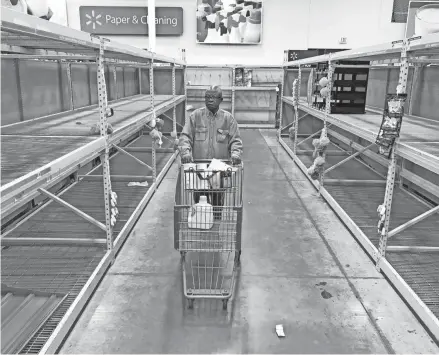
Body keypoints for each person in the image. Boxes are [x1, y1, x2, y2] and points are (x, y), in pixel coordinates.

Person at [178, 85, 243, 220]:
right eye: (207, 97)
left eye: (213, 97)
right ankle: (201, 222)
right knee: (199, 202)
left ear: (221, 100)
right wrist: (185, 153)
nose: (210, 100)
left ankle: (216, 225)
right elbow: (185, 137)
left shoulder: (228, 119)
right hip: (199, 169)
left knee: (217, 203)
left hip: (219, 170)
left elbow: (235, 141)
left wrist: (235, 154)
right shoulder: (195, 116)